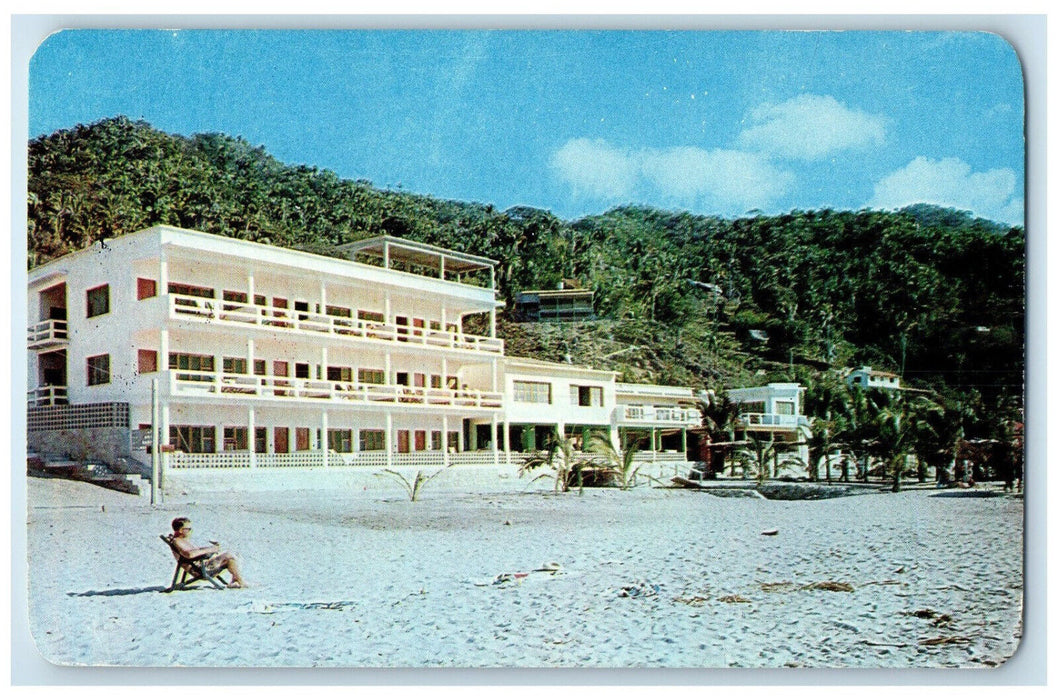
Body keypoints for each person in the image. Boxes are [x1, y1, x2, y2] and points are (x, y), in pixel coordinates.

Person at [170, 516, 247, 588]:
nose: (190, 531)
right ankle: (240, 582)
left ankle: (237, 581)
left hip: (201, 565)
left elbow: (195, 551)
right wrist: (210, 550)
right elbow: (189, 554)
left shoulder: (183, 540)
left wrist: (210, 548)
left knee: (232, 558)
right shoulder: (177, 541)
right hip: (200, 570)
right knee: (229, 555)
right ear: (180, 530)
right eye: (188, 529)